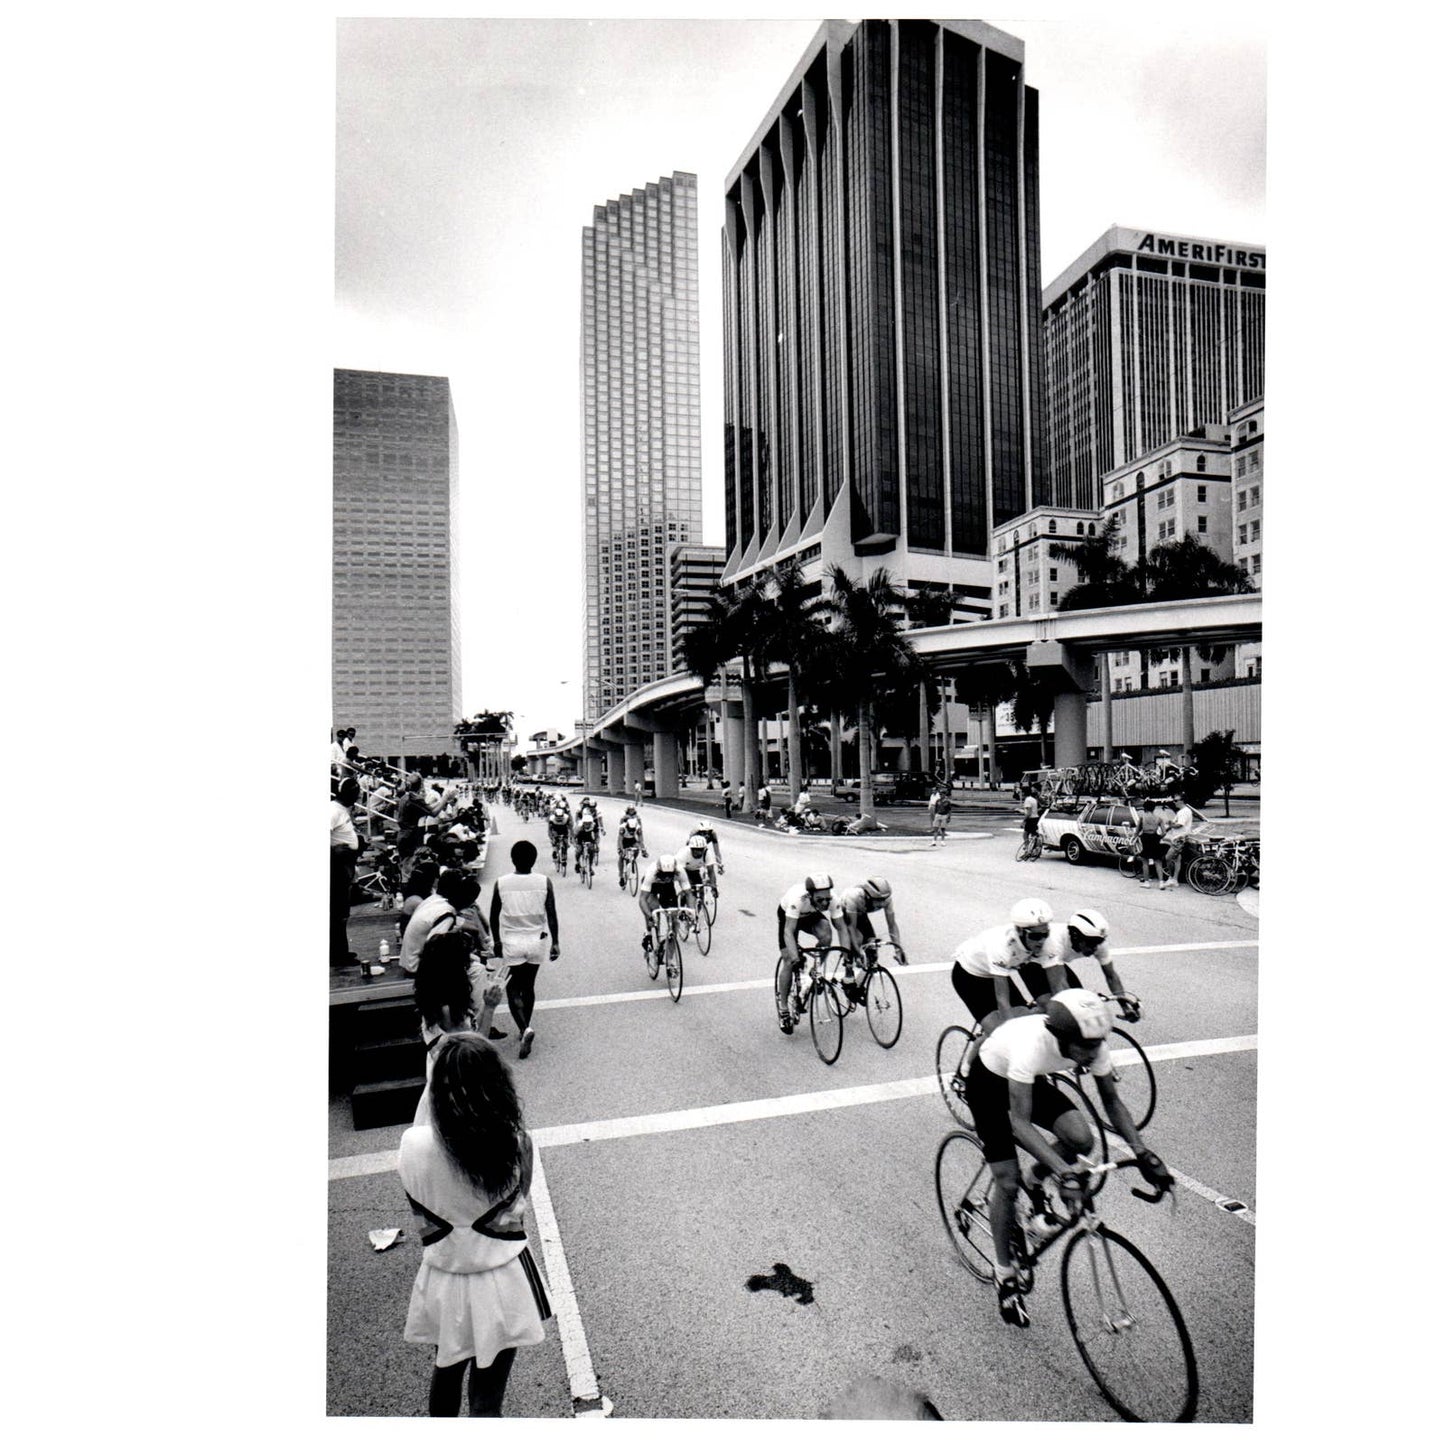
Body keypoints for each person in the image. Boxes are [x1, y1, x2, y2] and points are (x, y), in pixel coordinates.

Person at [961, 989, 1173, 1327]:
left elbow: (1112, 1102)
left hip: (1027, 1081)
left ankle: (1036, 1179)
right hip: (989, 1082)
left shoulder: (1091, 1043)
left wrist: (1143, 1152)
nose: (1094, 1053)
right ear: (1061, 1037)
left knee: (1080, 1138)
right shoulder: (1032, 1045)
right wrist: (1064, 1172)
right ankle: (1005, 1275)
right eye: (1085, 1048)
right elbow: (1020, 1122)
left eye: (1097, 1045)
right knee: (1007, 1181)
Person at [398, 1034, 553, 1415]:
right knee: (487, 1399)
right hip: (502, 1280)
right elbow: (519, 1207)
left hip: (443, 1276)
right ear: (497, 1086)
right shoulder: (518, 1143)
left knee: (446, 1372)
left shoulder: (412, 1145)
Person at [413, 931, 507, 1120]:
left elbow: (469, 1029)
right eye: (466, 958)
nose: (472, 961)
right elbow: (476, 1045)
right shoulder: (447, 1010)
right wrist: (489, 1007)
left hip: (445, 1075)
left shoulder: (436, 997)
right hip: (458, 1084)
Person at [488, 840, 560, 1060]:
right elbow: (551, 914)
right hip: (536, 941)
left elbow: (493, 915)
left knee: (512, 988)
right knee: (528, 987)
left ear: (512, 859)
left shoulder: (501, 883)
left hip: (512, 942)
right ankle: (524, 1028)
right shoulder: (544, 881)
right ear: (534, 859)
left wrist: (497, 942)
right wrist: (556, 942)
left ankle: (524, 1028)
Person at [949, 898, 1054, 1036]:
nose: (1042, 941)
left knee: (1028, 1020)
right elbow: (1002, 1001)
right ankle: (978, 1054)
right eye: (1035, 936)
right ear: (1020, 931)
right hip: (969, 977)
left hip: (994, 972)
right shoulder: (1002, 946)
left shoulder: (1046, 941)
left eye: (1045, 934)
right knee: (998, 1035)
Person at [1017, 909, 1137, 1020]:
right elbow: (1059, 986)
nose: (1095, 948)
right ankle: (1020, 1019)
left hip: (1055, 962)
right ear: (1075, 936)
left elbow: (1111, 977)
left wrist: (1125, 1007)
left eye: (1098, 943)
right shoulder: (1054, 941)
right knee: (1052, 1008)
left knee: (1080, 1006)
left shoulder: (1098, 942)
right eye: (1090, 943)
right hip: (1030, 962)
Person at [775, 874, 843, 1033]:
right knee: (789, 961)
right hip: (789, 917)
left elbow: (842, 928)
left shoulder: (831, 899)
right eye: (820, 900)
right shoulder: (798, 898)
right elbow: (788, 932)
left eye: (827, 899)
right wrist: (794, 957)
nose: (825, 903)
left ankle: (814, 973)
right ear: (810, 895)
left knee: (827, 934)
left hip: (810, 914)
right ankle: (784, 1009)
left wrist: (848, 954)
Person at [400, 869, 493, 979]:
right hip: (417, 967)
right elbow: (436, 948)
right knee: (478, 969)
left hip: (410, 959)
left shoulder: (433, 900)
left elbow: (467, 926)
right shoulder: (446, 913)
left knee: (474, 959)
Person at [835, 877, 906, 998]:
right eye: (879, 900)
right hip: (845, 910)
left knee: (872, 948)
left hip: (861, 913)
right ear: (869, 895)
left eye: (885, 899)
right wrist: (857, 952)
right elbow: (851, 928)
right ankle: (848, 972)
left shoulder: (886, 898)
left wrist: (898, 950)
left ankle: (859, 983)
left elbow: (892, 925)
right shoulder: (854, 897)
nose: (883, 903)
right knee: (857, 939)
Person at [637, 854, 694, 970]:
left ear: (674, 871)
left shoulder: (680, 871)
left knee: (674, 921)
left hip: (668, 889)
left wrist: (692, 912)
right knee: (654, 910)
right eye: (664, 874)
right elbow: (642, 899)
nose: (667, 877)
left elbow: (689, 894)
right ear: (659, 870)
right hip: (652, 887)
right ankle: (648, 933)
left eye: (670, 875)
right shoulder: (651, 872)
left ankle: (670, 961)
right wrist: (649, 916)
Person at [330, 776, 362, 970]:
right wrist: (334, 852)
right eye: (355, 793)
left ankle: (341, 951)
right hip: (336, 866)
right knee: (338, 913)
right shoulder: (333, 811)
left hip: (345, 865)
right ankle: (337, 955)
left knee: (342, 912)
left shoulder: (342, 810)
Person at [397, 773, 444, 861]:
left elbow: (426, 808)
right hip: (410, 836)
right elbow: (433, 813)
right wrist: (445, 799)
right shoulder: (415, 798)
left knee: (405, 864)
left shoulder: (405, 797)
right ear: (420, 785)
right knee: (410, 864)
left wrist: (438, 802)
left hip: (403, 834)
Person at [1161, 792, 1198, 889]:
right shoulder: (1181, 811)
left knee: (1168, 857)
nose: (1174, 802)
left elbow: (1179, 824)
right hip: (1178, 837)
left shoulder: (1184, 811)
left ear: (1182, 801)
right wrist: (1169, 825)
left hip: (1179, 838)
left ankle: (1171, 878)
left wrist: (1171, 825)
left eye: (1176, 800)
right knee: (1177, 859)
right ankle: (1175, 880)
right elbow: (1175, 824)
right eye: (1174, 800)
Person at [1135, 798, 1168, 889]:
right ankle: (1161, 882)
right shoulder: (1159, 818)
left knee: (1145, 860)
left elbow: (1137, 831)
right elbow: (1164, 832)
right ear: (1154, 808)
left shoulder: (1142, 817)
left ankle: (1146, 882)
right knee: (1158, 861)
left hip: (1145, 837)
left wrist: (1135, 837)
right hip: (1155, 837)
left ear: (1144, 808)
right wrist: (1159, 837)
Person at [679, 830, 720, 899]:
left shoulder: (707, 853)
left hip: (695, 870)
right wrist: (685, 887)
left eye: (701, 850)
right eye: (696, 850)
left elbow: (711, 871)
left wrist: (713, 886)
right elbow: (680, 872)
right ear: (691, 849)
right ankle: (683, 906)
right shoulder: (683, 853)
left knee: (700, 891)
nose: (699, 852)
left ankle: (698, 907)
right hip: (683, 870)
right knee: (688, 890)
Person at [615, 804, 647, 887]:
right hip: (624, 840)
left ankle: (632, 860)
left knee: (637, 849)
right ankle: (621, 876)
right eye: (630, 829)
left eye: (633, 830)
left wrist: (643, 850)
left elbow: (640, 839)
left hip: (632, 840)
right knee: (622, 857)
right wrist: (620, 849)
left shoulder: (638, 827)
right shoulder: (623, 827)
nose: (632, 831)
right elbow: (620, 840)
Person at [545, 797, 572, 870]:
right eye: (558, 817)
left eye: (561, 817)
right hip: (555, 830)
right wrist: (550, 836)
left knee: (565, 843)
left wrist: (571, 835)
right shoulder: (552, 818)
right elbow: (549, 829)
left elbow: (570, 827)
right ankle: (555, 852)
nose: (559, 819)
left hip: (564, 829)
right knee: (555, 842)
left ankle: (564, 855)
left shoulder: (566, 817)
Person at [573, 804, 599, 874]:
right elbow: (574, 837)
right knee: (579, 850)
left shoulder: (593, 825)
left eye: (589, 823)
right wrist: (575, 844)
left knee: (591, 850)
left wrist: (596, 843)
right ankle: (577, 863)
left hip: (589, 838)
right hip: (580, 838)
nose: (587, 825)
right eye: (586, 823)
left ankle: (590, 867)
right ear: (583, 823)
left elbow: (597, 835)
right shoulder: (579, 826)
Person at [928, 782, 952, 846]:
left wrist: (949, 817)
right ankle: (934, 841)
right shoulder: (937, 801)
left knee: (943, 829)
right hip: (938, 815)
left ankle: (942, 841)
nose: (941, 795)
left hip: (944, 815)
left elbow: (949, 810)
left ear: (944, 795)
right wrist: (936, 814)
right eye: (940, 794)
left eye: (942, 794)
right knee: (935, 828)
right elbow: (936, 808)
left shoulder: (947, 802)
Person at [1018, 786, 1041, 850]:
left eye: (1021, 792)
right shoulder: (1033, 799)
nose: (1020, 794)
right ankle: (1036, 849)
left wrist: (1023, 821)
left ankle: (1028, 848)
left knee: (1025, 834)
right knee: (1034, 834)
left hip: (1031, 819)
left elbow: (1029, 813)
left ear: (1024, 793)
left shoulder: (1027, 800)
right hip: (1036, 818)